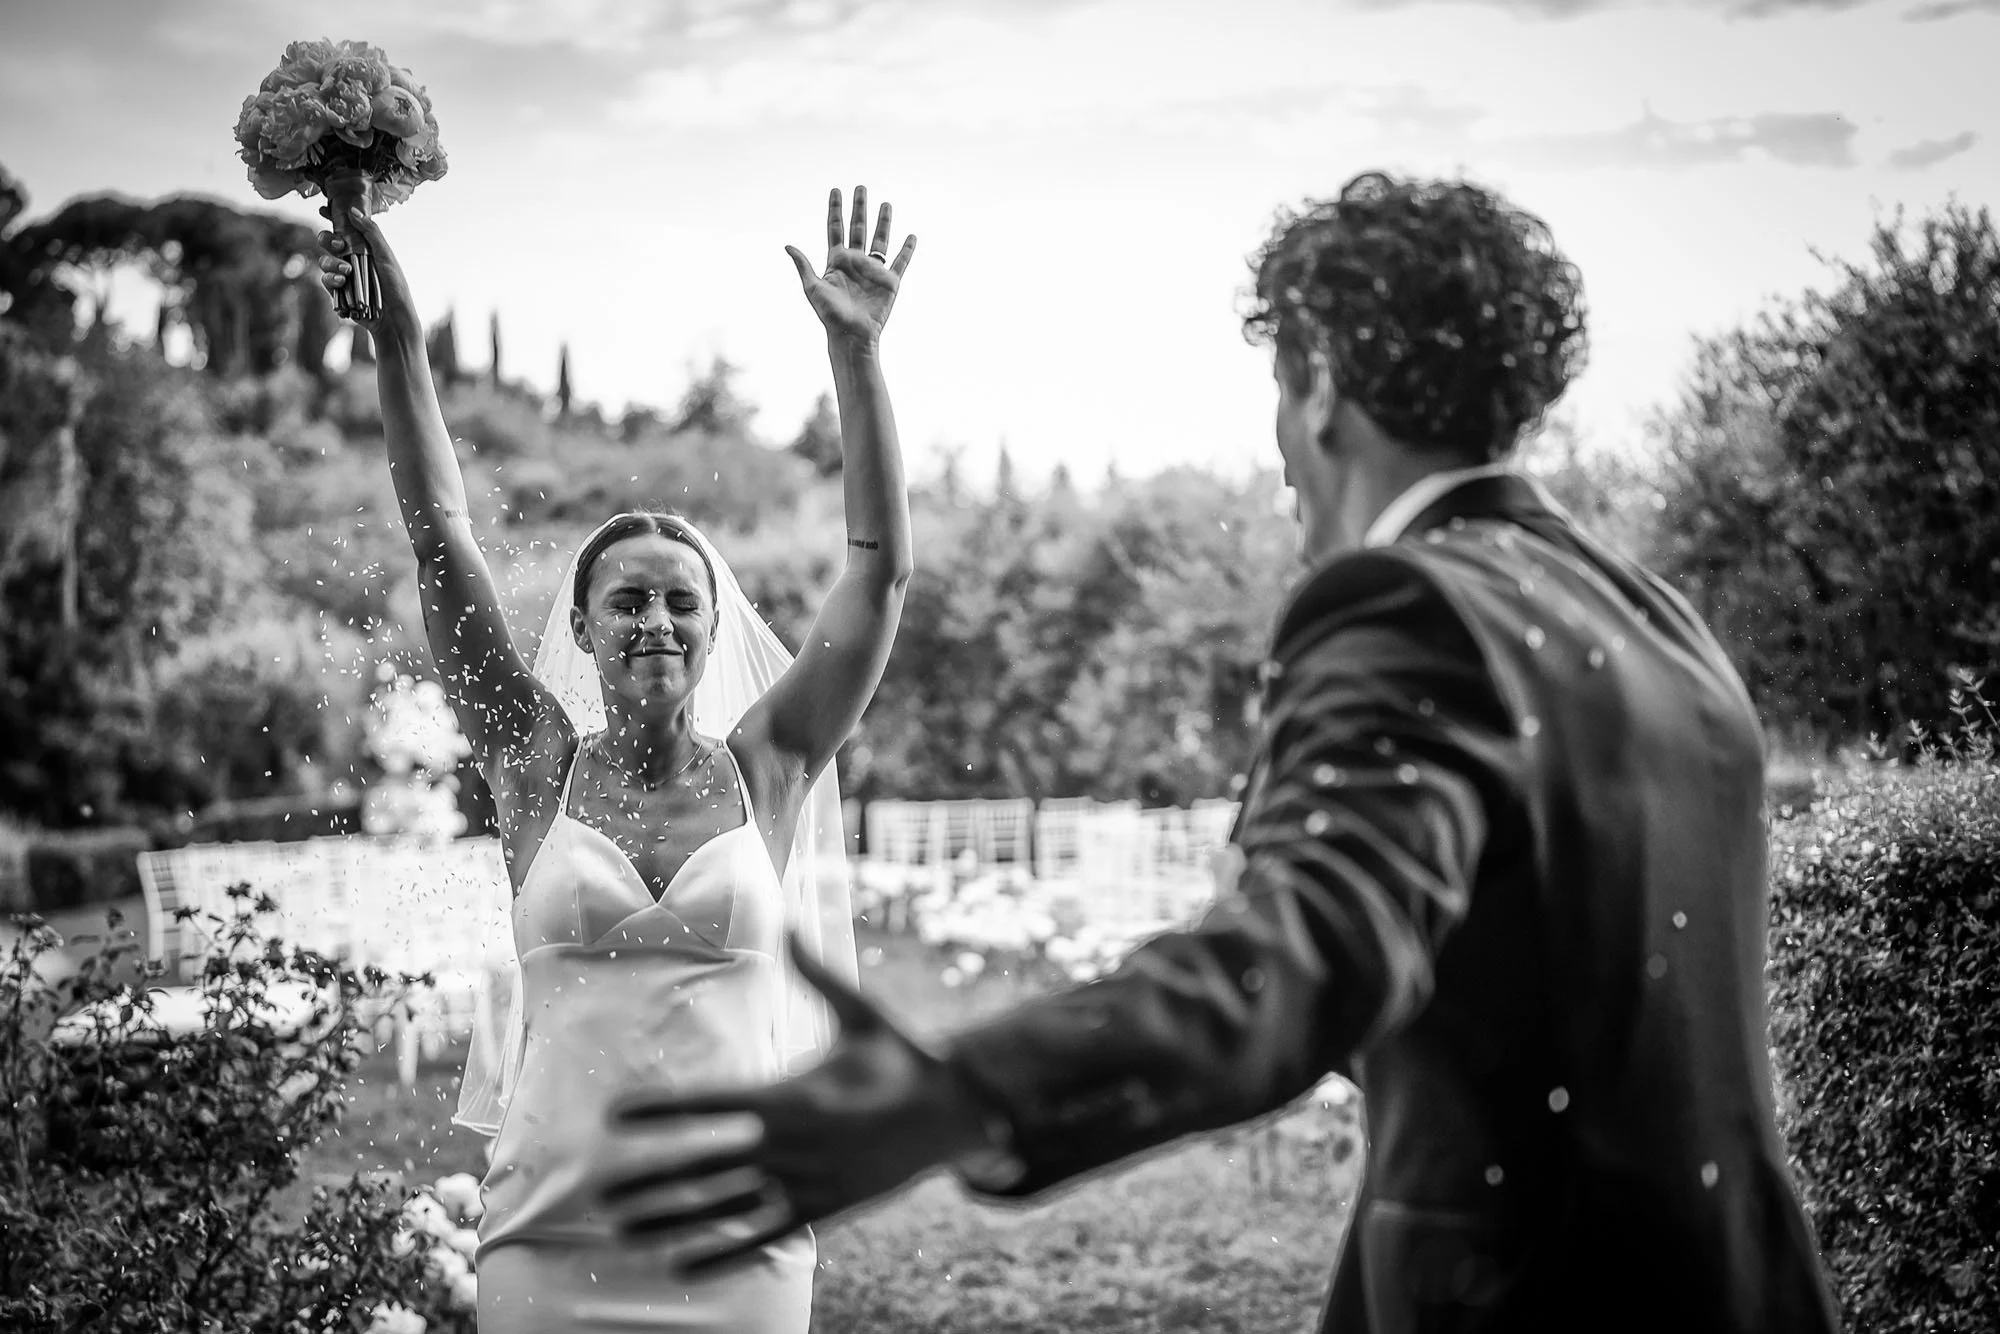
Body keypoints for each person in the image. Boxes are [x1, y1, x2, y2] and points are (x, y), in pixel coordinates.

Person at [590, 172, 1845, 1333]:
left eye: (1280, 393)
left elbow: (1307, 950)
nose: (1282, 457)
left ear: (1320, 385)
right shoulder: (1659, 625)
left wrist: (964, 1090)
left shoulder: (1402, 606)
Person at [317, 185, 917, 1333]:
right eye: (626, 601)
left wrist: (856, 356)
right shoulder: (531, 763)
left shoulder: (771, 765)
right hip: (547, 1240)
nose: (654, 621)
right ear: (583, 629)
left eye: (679, 601)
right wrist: (398, 340)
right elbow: (441, 534)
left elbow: (877, 571)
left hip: (739, 1243)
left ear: (713, 626)